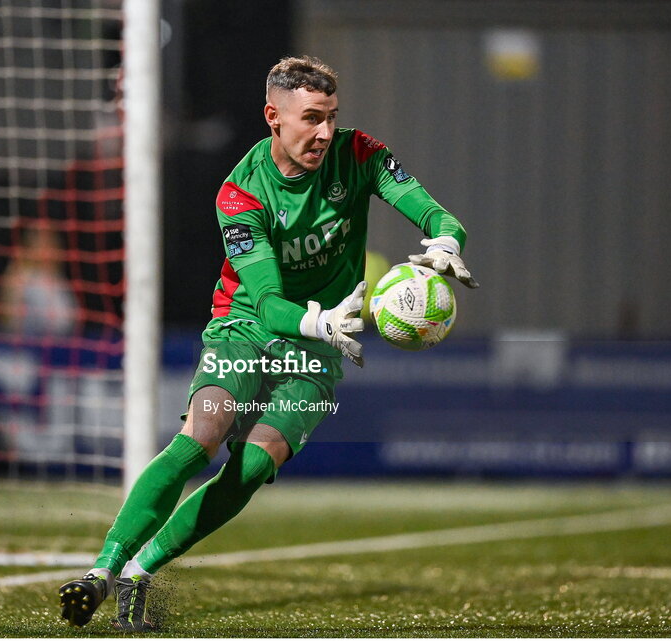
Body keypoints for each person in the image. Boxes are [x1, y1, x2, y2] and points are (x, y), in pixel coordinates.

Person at [58, 55, 478, 632]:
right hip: (249, 325)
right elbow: (267, 301)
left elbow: (429, 210)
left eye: (331, 116)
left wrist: (447, 239)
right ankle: (100, 572)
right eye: (311, 118)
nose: (326, 132)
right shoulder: (239, 194)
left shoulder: (360, 155)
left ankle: (141, 567)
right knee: (200, 437)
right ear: (273, 118)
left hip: (321, 340)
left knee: (254, 465)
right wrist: (321, 322)